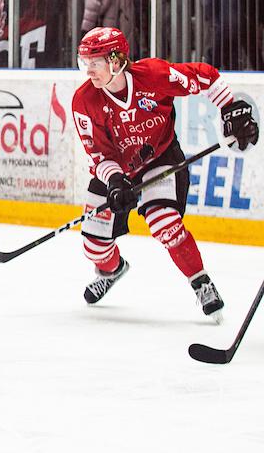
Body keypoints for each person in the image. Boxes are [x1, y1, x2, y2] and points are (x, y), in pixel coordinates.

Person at [70, 27, 258, 319]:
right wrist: (116, 180)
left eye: (95, 62)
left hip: (160, 157)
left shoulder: (155, 76)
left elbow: (205, 76)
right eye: (85, 63)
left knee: (164, 223)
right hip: (116, 172)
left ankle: (201, 282)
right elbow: (98, 154)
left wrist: (229, 107)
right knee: (94, 246)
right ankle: (112, 270)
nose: (89, 71)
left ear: (117, 60)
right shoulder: (84, 101)